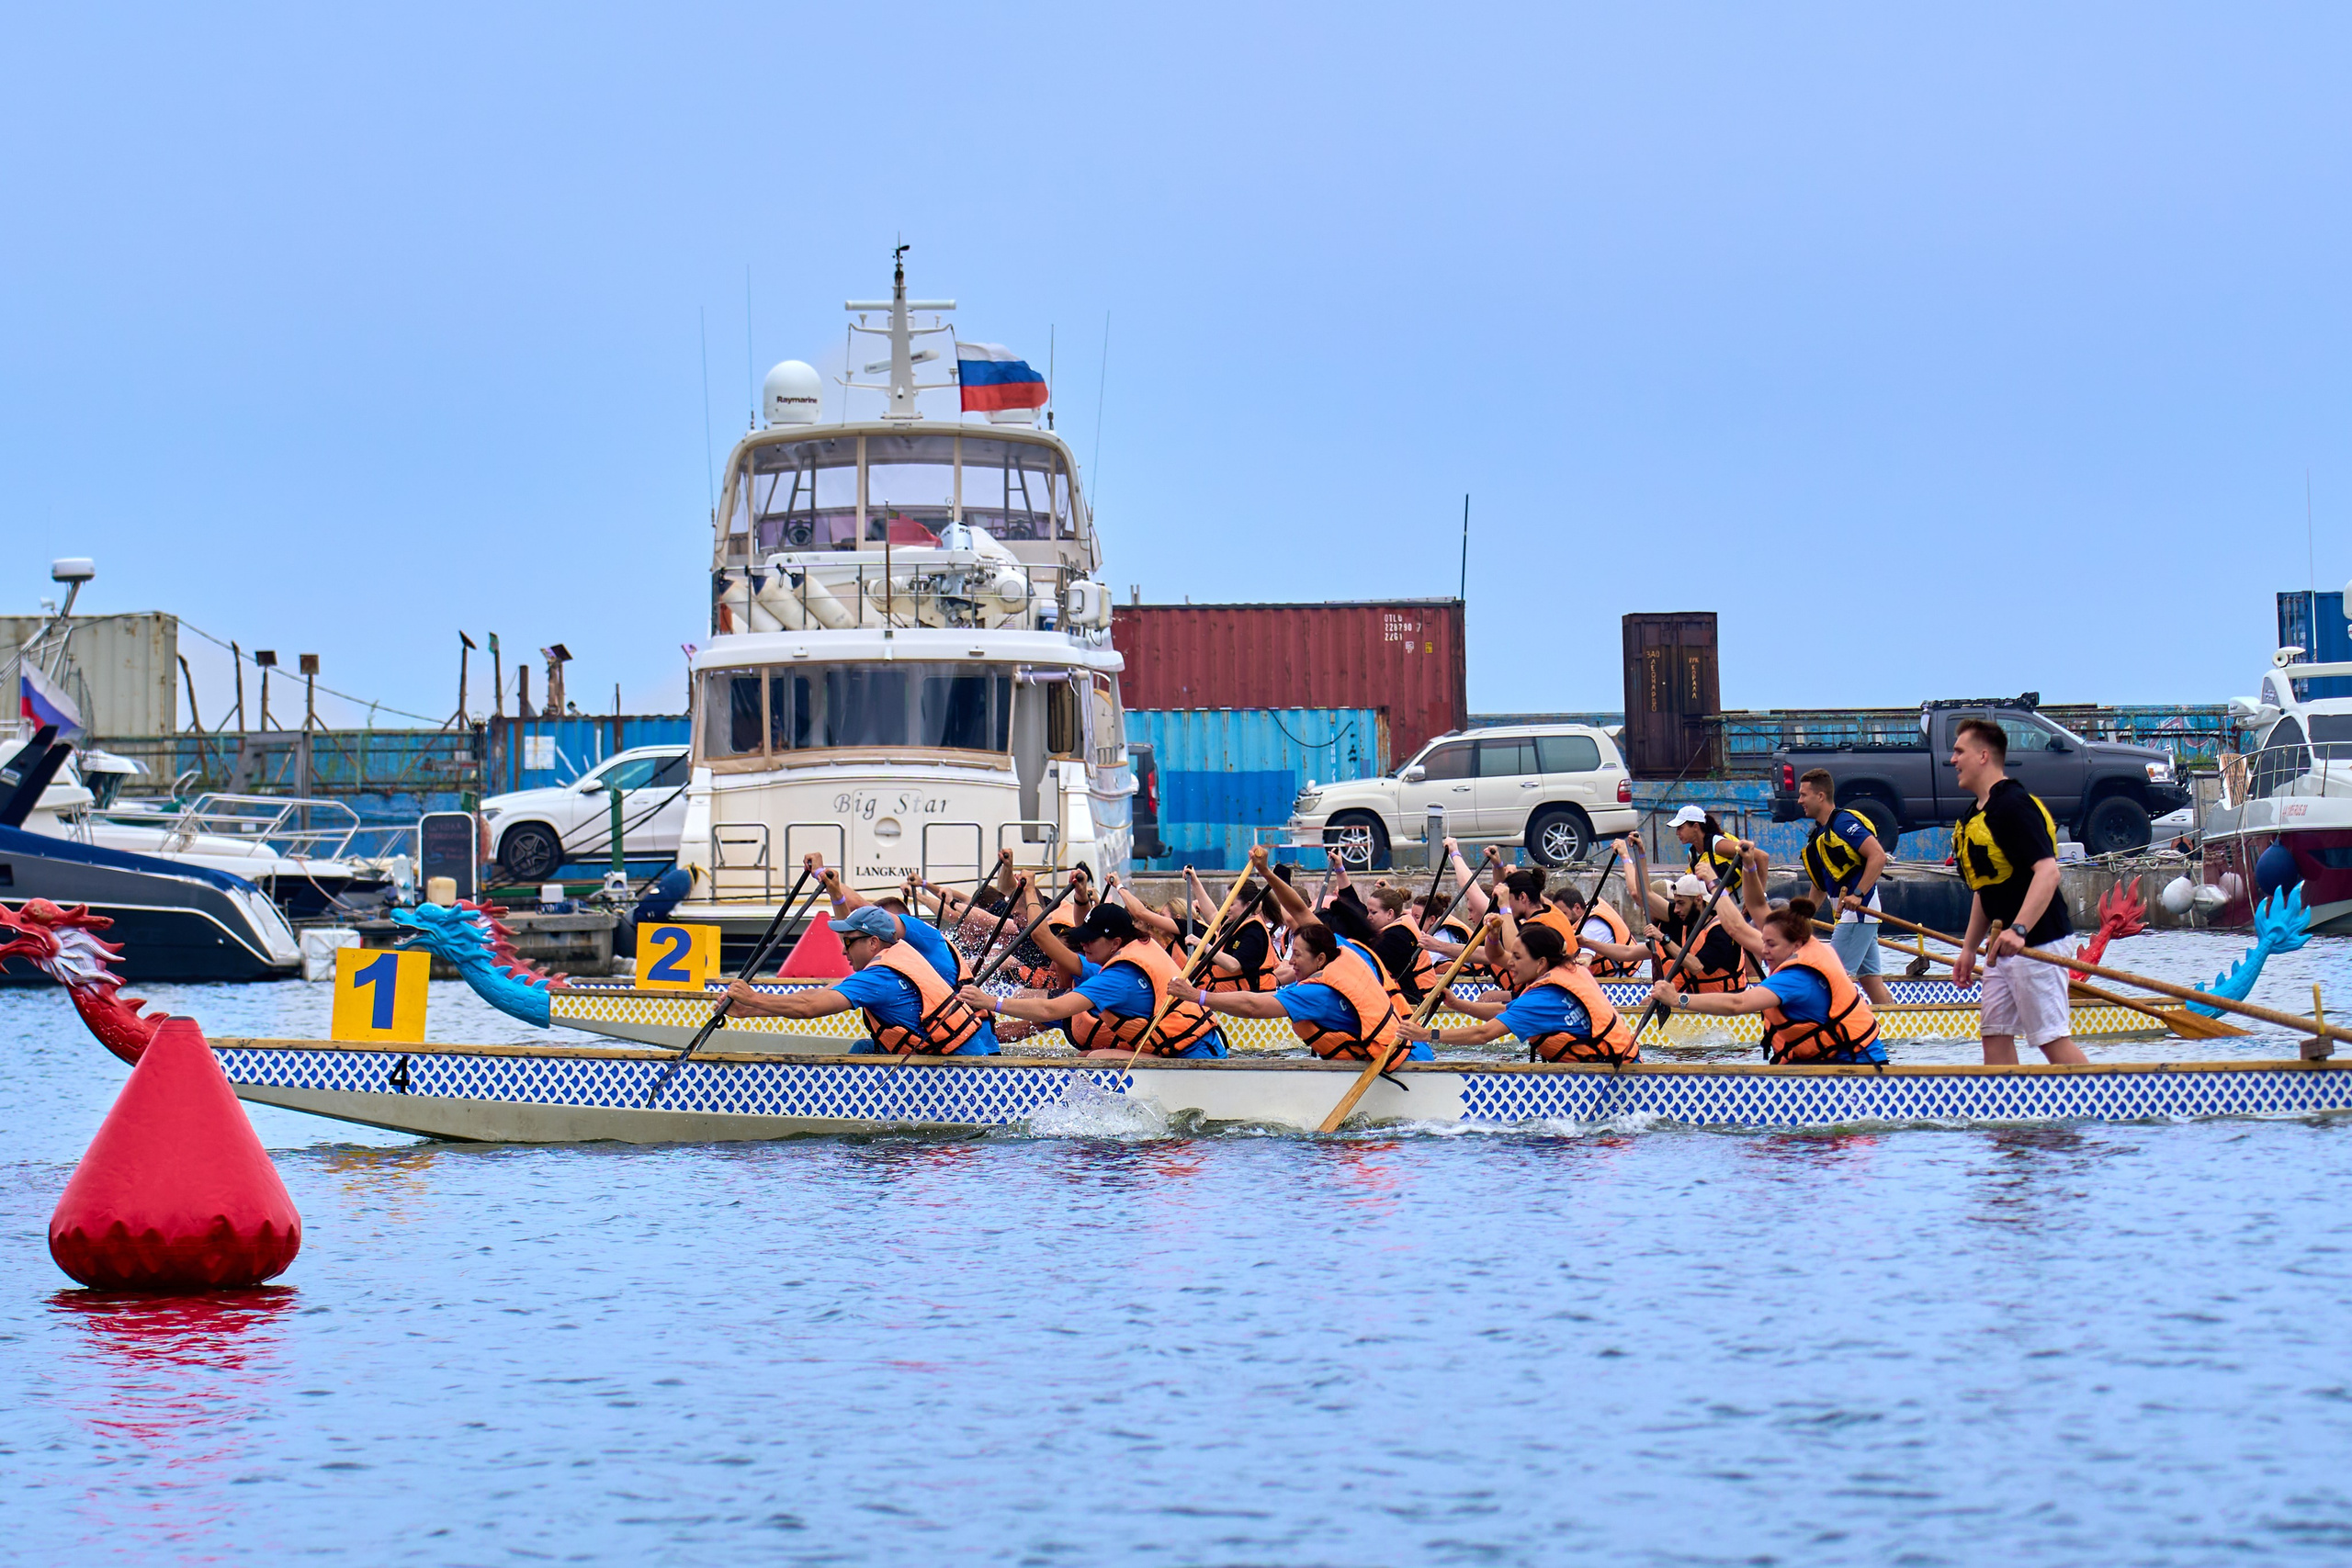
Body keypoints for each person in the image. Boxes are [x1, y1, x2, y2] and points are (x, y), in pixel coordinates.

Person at [1948, 716, 2086, 1066]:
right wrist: (1968, 949)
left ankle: (2105, 1103)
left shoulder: (2013, 805)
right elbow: (1983, 889)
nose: (1952, 760)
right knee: (1993, 1036)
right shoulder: (1973, 814)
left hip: (2039, 940)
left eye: (1958, 751)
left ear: (1983, 756)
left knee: (2049, 1039)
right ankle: (2007, 1119)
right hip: (2002, 949)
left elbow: (2048, 872)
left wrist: (2019, 929)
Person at [960, 902, 1227, 1058]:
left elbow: (1050, 1009)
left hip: (1192, 1057)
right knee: (1088, 1056)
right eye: (1082, 937)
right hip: (1205, 1044)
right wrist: (1080, 897)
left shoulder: (1118, 977)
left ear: (1115, 942)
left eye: (1091, 939)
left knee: (1088, 1060)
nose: (1083, 943)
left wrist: (989, 1001)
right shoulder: (1141, 946)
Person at [723, 904, 999, 1055]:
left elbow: (810, 1008)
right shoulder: (892, 962)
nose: (843, 950)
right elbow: (818, 995)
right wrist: (751, 1009)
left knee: (863, 1051)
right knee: (864, 1048)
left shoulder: (879, 977)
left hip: (961, 1073)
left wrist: (754, 997)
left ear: (873, 943)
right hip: (967, 1055)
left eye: (849, 941)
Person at [1644, 897, 1883, 1065]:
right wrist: (1733, 875)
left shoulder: (1794, 977)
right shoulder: (1806, 944)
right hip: (1824, 1059)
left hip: (1856, 1064)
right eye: (1763, 943)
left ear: (1796, 944)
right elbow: (1749, 913)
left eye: (1771, 945)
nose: (1763, 951)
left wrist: (1678, 999)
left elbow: (1737, 1005)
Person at [1171, 919, 1434, 1062]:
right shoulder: (1345, 956)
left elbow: (1253, 1006)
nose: (1291, 961)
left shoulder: (1316, 993)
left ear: (1320, 959)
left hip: (1408, 1065)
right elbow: (1298, 912)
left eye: (1297, 955)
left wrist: (1198, 997)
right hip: (1417, 1051)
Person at [1404, 918, 1637, 1063]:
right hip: (1623, 1061)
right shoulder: (1572, 970)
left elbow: (1483, 1035)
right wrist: (1456, 1005)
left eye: (1517, 957)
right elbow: (1505, 1010)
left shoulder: (1541, 998)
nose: (1510, 963)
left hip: (1603, 1076)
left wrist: (1428, 1035)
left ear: (1541, 963)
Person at [1794, 769, 1897, 1007]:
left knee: (1829, 975)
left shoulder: (1843, 823)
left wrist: (1858, 894)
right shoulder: (1819, 833)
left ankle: (1835, 1023)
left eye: (1803, 795)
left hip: (1858, 913)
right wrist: (1804, 918)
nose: (1799, 801)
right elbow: (1820, 885)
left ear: (1820, 796)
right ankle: (1890, 1024)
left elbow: (1878, 856)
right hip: (1851, 916)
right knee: (1871, 981)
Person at [1668, 804, 1745, 901]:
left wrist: (1758, 897)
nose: (1677, 833)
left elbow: (1760, 857)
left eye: (1680, 828)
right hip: (1723, 904)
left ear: (1695, 826)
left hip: (1743, 900)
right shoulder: (1692, 855)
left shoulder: (1718, 844)